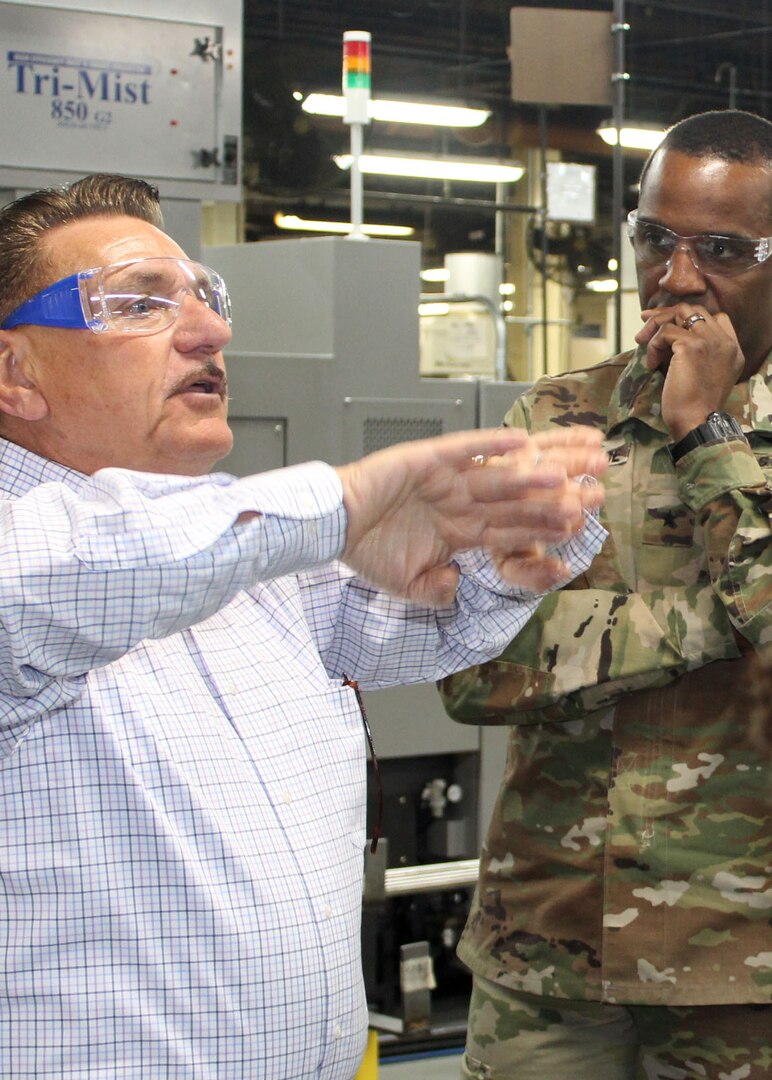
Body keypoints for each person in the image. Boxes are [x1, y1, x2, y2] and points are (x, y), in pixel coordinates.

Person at [0, 173, 608, 1079]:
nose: (211, 330)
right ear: (17, 374)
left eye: (207, 297)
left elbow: (423, 626)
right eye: (138, 303)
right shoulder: (50, 558)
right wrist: (351, 498)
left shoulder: (238, 551)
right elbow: (68, 577)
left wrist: (508, 542)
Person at [439, 109, 772, 1080]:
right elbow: (470, 663)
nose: (675, 277)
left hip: (744, 969)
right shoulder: (554, 418)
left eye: (720, 249)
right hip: (546, 953)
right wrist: (717, 620)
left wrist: (707, 434)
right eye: (653, 239)